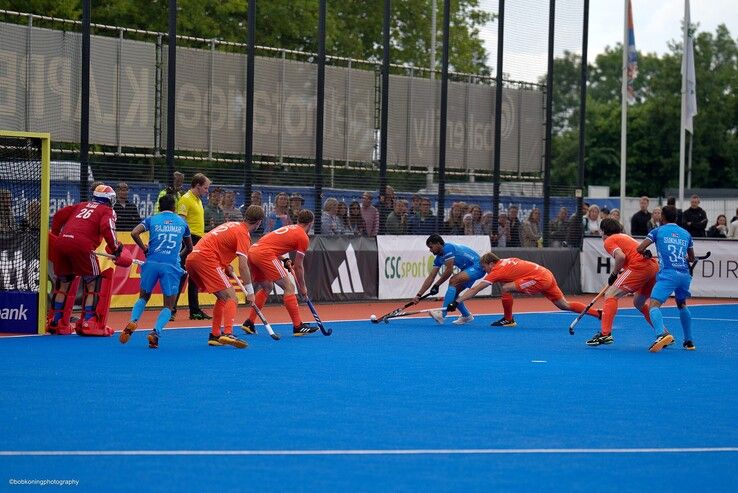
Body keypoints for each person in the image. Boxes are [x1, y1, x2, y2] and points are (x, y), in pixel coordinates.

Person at [46, 184, 131, 336]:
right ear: (110, 199)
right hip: (82, 246)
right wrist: (116, 249)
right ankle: (89, 322)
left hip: (61, 243)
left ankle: (55, 321)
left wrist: (56, 234)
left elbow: (59, 215)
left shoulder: (81, 205)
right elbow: (107, 227)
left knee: (63, 283)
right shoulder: (108, 210)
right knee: (93, 282)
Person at [120, 193, 193, 349]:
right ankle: (155, 332)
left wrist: (144, 248)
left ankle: (133, 321)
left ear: (159, 207)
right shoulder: (182, 222)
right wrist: (177, 256)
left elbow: (134, 233)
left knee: (143, 297)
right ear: (174, 207)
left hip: (151, 263)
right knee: (169, 305)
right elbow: (190, 247)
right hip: (171, 266)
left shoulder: (152, 219)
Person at [448, 252, 601, 327]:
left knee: (506, 288)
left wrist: (457, 301)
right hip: (546, 274)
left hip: (539, 279)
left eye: (484, 268)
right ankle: (599, 314)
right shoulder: (506, 261)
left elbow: (476, 289)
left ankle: (508, 320)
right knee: (564, 305)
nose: (485, 271)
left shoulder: (497, 270)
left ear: (491, 264)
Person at [185, 205, 265, 348]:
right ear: (259, 222)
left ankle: (215, 335)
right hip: (206, 259)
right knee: (231, 296)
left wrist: (224, 264)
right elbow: (243, 265)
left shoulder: (231, 225)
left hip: (192, 259)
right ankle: (228, 333)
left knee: (222, 297)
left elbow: (218, 245)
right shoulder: (243, 234)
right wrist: (250, 292)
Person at [242, 209, 319, 337]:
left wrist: (284, 259)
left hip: (253, 252)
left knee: (267, 287)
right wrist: (303, 288)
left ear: (298, 220)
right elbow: (299, 266)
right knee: (289, 287)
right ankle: (298, 326)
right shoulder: (303, 237)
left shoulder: (290, 227)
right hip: (264, 254)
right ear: (311, 223)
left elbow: (270, 245)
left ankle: (249, 323)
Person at [585, 218, 659, 346]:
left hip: (639, 267)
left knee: (610, 294)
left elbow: (621, 257)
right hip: (652, 267)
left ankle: (605, 334)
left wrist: (614, 274)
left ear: (604, 232)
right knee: (638, 303)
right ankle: (663, 333)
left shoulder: (609, 240)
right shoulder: (624, 236)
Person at [636, 205, 696, 352]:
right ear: (676, 217)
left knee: (653, 305)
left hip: (668, 274)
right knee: (682, 305)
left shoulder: (657, 231)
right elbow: (692, 258)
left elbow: (639, 248)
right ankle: (689, 341)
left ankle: (660, 335)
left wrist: (647, 253)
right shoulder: (686, 234)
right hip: (684, 275)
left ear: (662, 217)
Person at [412, 234, 485, 325]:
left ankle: (442, 314)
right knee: (454, 294)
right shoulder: (438, 259)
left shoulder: (448, 248)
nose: (430, 250)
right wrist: (419, 295)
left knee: (453, 280)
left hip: (478, 266)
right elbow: (431, 277)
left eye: (431, 247)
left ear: (438, 244)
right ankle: (466, 316)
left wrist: (437, 285)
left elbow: (449, 270)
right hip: (468, 269)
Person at [174, 173, 212, 321]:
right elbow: (181, 222)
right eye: (205, 188)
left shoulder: (198, 200)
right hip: (188, 240)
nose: (207, 191)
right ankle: (171, 309)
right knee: (181, 274)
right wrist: (184, 242)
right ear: (197, 186)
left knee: (195, 275)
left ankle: (194, 310)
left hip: (198, 240)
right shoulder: (186, 199)